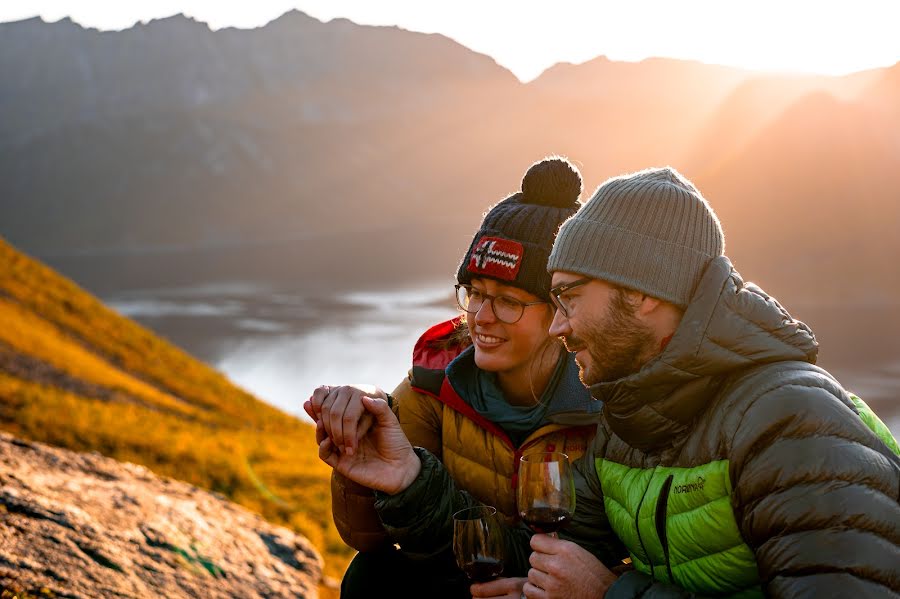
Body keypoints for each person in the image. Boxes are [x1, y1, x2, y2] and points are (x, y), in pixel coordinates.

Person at [310, 166, 900, 598]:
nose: (558, 326)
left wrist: (609, 597)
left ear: (642, 294)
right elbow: (540, 558)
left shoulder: (791, 419)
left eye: (565, 298)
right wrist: (406, 478)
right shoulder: (630, 415)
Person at [306, 157, 611, 598]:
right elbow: (366, 539)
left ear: (561, 310)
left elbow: (601, 554)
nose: (482, 318)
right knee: (372, 577)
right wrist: (364, 428)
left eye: (509, 300)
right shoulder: (435, 381)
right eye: (476, 294)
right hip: (468, 583)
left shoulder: (607, 398)